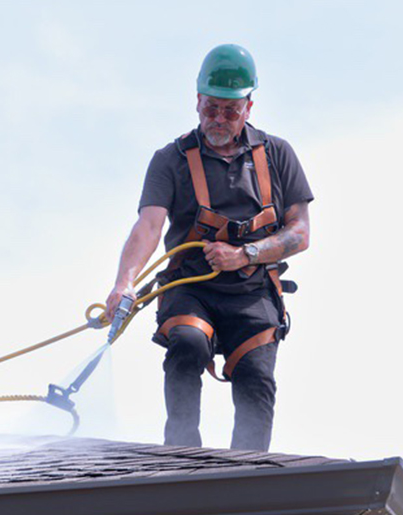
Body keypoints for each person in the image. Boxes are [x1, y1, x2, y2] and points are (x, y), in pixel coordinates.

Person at [105, 44, 313, 451]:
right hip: (190, 287)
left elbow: (300, 233)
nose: (218, 118)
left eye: (229, 111)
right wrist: (123, 283)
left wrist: (246, 254)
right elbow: (148, 226)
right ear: (197, 100)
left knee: (256, 376)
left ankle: (246, 477)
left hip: (253, 291)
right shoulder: (170, 160)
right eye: (210, 108)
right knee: (187, 343)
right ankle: (181, 456)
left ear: (248, 107)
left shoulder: (277, 156)